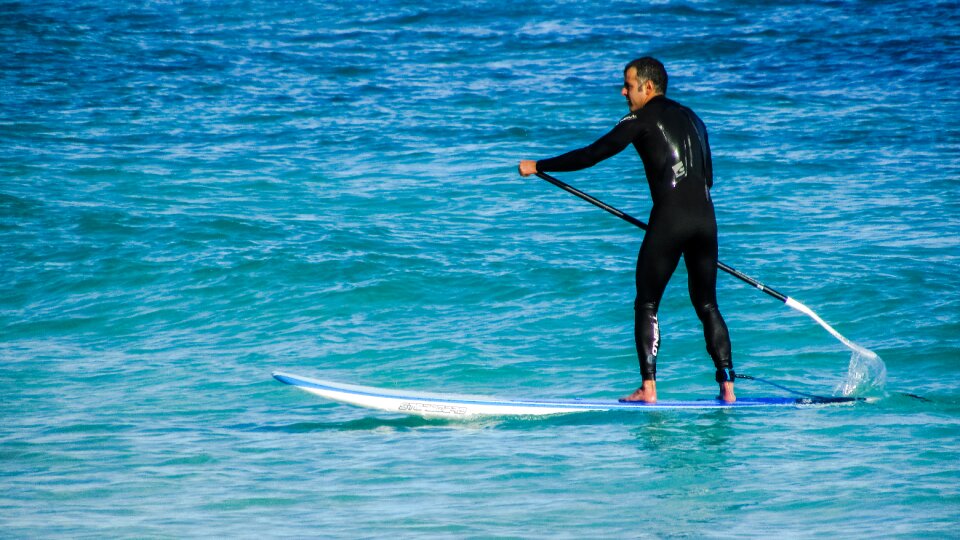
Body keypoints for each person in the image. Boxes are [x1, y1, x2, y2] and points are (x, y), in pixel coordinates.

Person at [518, 57, 735, 403]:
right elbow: (708, 177)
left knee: (647, 302)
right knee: (707, 303)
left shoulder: (642, 117)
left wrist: (539, 165)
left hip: (671, 217)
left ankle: (648, 388)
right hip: (707, 220)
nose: (623, 92)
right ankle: (728, 388)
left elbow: (593, 153)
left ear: (647, 87)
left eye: (628, 85)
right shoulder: (695, 119)